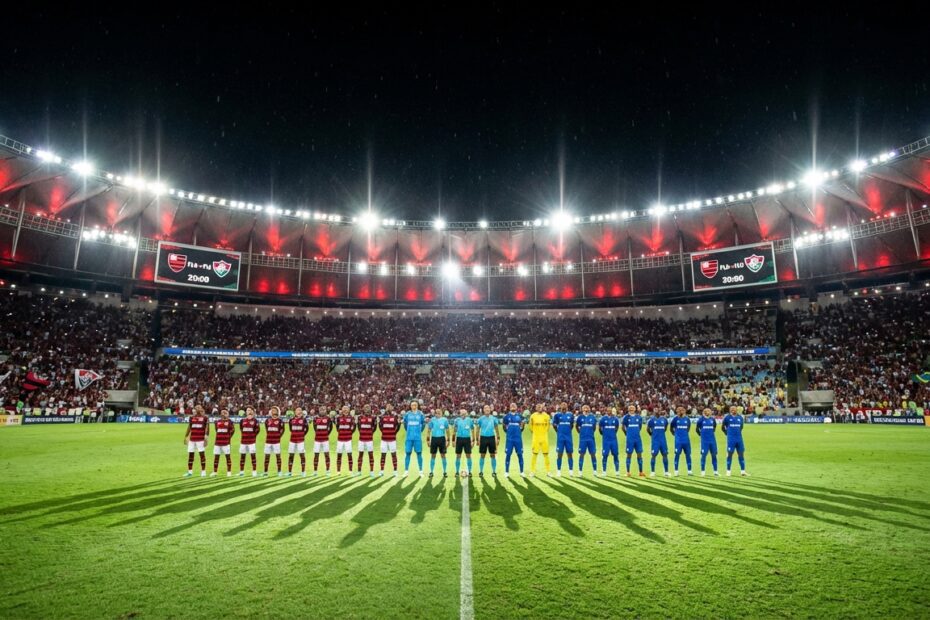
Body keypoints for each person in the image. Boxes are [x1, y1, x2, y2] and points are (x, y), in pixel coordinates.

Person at [722, 405, 749, 476]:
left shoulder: (740, 418)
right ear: (730, 410)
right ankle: (728, 471)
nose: (733, 410)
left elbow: (741, 427)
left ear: (736, 410)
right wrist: (727, 433)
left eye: (734, 409)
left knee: (741, 454)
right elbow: (723, 427)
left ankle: (743, 471)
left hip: (739, 439)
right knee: (729, 454)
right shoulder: (727, 418)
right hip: (731, 440)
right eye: (731, 409)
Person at [183, 405, 210, 477]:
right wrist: (186, 437)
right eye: (196, 407)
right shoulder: (191, 417)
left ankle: (203, 472)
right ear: (194, 409)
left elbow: (207, 429)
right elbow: (189, 427)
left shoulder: (205, 418)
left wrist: (206, 438)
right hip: (192, 439)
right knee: (190, 455)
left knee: (202, 455)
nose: (198, 408)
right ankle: (190, 472)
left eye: (199, 407)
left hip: (200, 439)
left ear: (201, 408)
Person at [621, 404, 646, 478]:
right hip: (630, 439)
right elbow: (623, 427)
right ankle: (628, 472)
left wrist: (636, 433)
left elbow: (640, 427)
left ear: (635, 409)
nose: (631, 409)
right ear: (628, 409)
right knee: (629, 454)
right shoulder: (626, 417)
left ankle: (641, 472)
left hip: (637, 439)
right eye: (630, 408)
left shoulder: (639, 417)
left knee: (639, 454)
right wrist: (627, 434)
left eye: (633, 408)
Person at [551, 401, 575, 477]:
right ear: (560, 406)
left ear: (567, 407)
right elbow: (554, 425)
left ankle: (571, 470)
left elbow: (571, 425)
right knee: (559, 454)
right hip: (560, 438)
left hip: (568, 437)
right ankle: (558, 470)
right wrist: (558, 432)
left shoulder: (570, 415)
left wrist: (567, 431)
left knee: (570, 454)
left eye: (565, 404)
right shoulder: (557, 415)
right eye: (562, 404)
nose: (564, 405)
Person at [501, 403, 525, 478]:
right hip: (509, 440)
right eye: (511, 405)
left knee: (520, 454)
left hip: (518, 439)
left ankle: (522, 472)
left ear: (517, 407)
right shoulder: (506, 416)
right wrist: (508, 433)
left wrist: (519, 431)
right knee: (508, 454)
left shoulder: (520, 416)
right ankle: (506, 472)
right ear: (509, 407)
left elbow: (522, 426)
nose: (513, 406)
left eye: (514, 405)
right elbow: (504, 427)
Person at [402, 400, 426, 477]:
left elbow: (423, 424)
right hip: (409, 438)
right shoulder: (407, 414)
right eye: (412, 405)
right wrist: (408, 431)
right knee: (408, 453)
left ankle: (421, 471)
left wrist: (419, 431)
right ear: (410, 406)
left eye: (415, 405)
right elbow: (405, 424)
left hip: (417, 438)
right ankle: (406, 471)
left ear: (417, 405)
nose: (414, 406)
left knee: (419, 453)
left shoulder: (421, 414)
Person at [477, 404, 501, 478]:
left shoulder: (494, 419)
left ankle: (494, 471)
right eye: (485, 408)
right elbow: (478, 429)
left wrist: (498, 437)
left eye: (488, 408)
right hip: (483, 438)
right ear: (483, 410)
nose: (487, 409)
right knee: (482, 455)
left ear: (490, 410)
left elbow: (496, 428)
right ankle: (481, 471)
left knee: (493, 455)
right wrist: (477, 439)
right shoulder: (480, 419)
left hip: (492, 438)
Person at [575, 404, 599, 478]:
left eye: (587, 408)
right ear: (582, 409)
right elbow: (576, 426)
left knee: (593, 454)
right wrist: (580, 433)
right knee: (581, 454)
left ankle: (595, 471)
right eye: (584, 408)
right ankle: (580, 471)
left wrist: (590, 433)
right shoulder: (580, 417)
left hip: (591, 439)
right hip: (583, 439)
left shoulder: (592, 417)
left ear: (589, 409)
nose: (586, 409)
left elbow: (594, 428)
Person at [426, 408, 451, 478]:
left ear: (441, 412)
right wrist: (428, 440)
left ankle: (445, 472)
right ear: (435, 413)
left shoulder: (445, 420)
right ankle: (431, 472)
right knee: (433, 455)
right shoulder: (432, 420)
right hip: (434, 439)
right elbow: (429, 430)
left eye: (439, 411)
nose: (437, 413)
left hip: (442, 439)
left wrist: (448, 440)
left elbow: (447, 430)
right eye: (436, 412)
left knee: (443, 455)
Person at [452, 408, 476, 478]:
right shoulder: (457, 420)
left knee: (468, 455)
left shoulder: (470, 420)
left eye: (464, 413)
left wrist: (473, 440)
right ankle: (457, 471)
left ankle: (470, 471)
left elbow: (472, 430)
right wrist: (453, 440)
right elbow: (454, 430)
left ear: (466, 413)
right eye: (461, 413)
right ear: (460, 413)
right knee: (458, 456)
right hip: (459, 439)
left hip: (467, 439)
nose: (463, 414)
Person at [528, 403, 551, 477]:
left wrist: (543, 433)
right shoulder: (533, 416)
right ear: (536, 408)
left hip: (544, 438)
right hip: (536, 438)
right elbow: (530, 426)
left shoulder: (546, 416)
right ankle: (532, 471)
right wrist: (535, 433)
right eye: (538, 407)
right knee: (534, 454)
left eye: (540, 406)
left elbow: (548, 426)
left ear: (542, 407)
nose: (539, 407)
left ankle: (548, 471)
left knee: (546, 454)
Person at [646, 409, 670, 477]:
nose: (657, 412)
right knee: (653, 455)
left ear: (660, 412)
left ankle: (666, 472)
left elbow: (665, 428)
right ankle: (653, 472)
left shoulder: (664, 420)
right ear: (654, 412)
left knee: (665, 455)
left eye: (658, 411)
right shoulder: (651, 420)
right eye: (656, 411)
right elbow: (648, 429)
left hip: (663, 441)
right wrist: (652, 435)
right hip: (655, 441)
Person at [695, 407, 719, 476]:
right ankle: (702, 471)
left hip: (712, 440)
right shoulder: (701, 420)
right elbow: (697, 429)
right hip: (704, 441)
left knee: (714, 455)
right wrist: (701, 435)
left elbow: (714, 427)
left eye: (709, 411)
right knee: (703, 455)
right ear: (704, 412)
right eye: (707, 411)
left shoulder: (712, 419)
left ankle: (715, 471)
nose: (708, 412)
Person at [211, 408, 235, 477]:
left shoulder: (230, 422)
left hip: (226, 443)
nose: (223, 413)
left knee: (227, 457)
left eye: (225, 412)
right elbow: (216, 430)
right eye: (222, 412)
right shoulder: (217, 422)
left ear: (227, 414)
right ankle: (215, 472)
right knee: (216, 457)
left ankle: (229, 472)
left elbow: (233, 430)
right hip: (217, 442)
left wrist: (228, 437)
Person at [669, 406, 693, 476]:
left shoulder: (687, 419)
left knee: (688, 455)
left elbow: (688, 429)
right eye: (679, 410)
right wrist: (675, 434)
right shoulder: (675, 419)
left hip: (686, 441)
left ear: (684, 411)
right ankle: (676, 471)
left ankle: (689, 471)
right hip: (678, 441)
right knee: (677, 455)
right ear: (677, 411)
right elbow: (671, 428)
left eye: (682, 410)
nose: (681, 411)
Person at [355, 404, 378, 477]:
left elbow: (374, 428)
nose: (367, 409)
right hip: (361, 439)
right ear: (363, 409)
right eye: (365, 407)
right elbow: (359, 427)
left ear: (370, 409)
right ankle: (359, 471)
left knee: (370, 455)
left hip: (369, 440)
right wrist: (362, 433)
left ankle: (371, 471)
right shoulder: (360, 417)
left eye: (368, 407)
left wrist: (370, 433)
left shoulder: (373, 417)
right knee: (360, 455)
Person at [598, 406, 621, 476]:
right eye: (608, 410)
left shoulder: (615, 419)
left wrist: (613, 434)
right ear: (606, 411)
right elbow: (600, 428)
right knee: (605, 455)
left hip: (614, 440)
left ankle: (617, 471)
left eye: (610, 410)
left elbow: (616, 428)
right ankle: (604, 471)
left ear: (612, 411)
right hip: (606, 441)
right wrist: (604, 434)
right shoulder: (603, 419)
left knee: (615, 455)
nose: (609, 411)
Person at [378, 404, 401, 477]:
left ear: (392, 408)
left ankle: (395, 471)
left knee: (393, 455)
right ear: (386, 408)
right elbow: (380, 427)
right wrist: (384, 432)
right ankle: (381, 471)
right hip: (384, 439)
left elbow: (397, 427)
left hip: (392, 439)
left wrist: (394, 433)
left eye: (390, 407)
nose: (389, 408)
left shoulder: (395, 417)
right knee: (383, 455)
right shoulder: (382, 417)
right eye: (387, 407)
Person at [286, 406, 309, 477]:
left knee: (302, 455)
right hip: (292, 440)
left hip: (300, 441)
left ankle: (303, 472)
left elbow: (307, 429)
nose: (299, 411)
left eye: (300, 410)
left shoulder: (304, 420)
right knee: (291, 455)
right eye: (297, 410)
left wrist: (302, 435)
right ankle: (289, 472)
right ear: (295, 412)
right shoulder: (291, 420)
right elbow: (290, 429)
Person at [238, 406, 260, 477]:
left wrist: (252, 436)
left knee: (253, 456)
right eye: (248, 410)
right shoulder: (242, 421)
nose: (249, 411)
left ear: (253, 412)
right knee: (242, 456)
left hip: (251, 442)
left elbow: (257, 430)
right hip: (243, 441)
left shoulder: (255, 421)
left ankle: (254, 471)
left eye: (250, 410)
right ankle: (241, 471)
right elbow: (241, 429)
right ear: (246, 412)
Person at [263, 406, 284, 477]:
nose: (273, 411)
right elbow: (267, 429)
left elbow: (282, 430)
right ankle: (265, 471)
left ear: (277, 411)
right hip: (268, 441)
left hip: (276, 442)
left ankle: (279, 471)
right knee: (267, 456)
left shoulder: (280, 421)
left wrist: (278, 437)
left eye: (274, 410)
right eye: (272, 410)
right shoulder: (267, 420)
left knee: (278, 456)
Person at [312, 408, 334, 476]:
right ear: (319, 411)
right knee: (316, 455)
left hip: (325, 439)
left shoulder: (328, 418)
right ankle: (315, 471)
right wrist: (318, 433)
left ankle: (328, 470)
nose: (322, 411)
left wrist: (327, 434)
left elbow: (331, 427)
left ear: (325, 411)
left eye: (323, 410)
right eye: (321, 410)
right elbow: (314, 427)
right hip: (317, 440)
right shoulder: (315, 418)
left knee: (326, 455)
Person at [335, 405, 356, 475]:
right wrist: (341, 432)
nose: (345, 410)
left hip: (348, 439)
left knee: (349, 454)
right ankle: (338, 471)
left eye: (346, 409)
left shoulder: (351, 418)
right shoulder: (338, 418)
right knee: (339, 455)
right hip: (340, 439)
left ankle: (350, 471)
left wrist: (350, 433)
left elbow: (354, 427)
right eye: (344, 408)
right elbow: (337, 427)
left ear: (349, 410)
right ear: (341, 410)